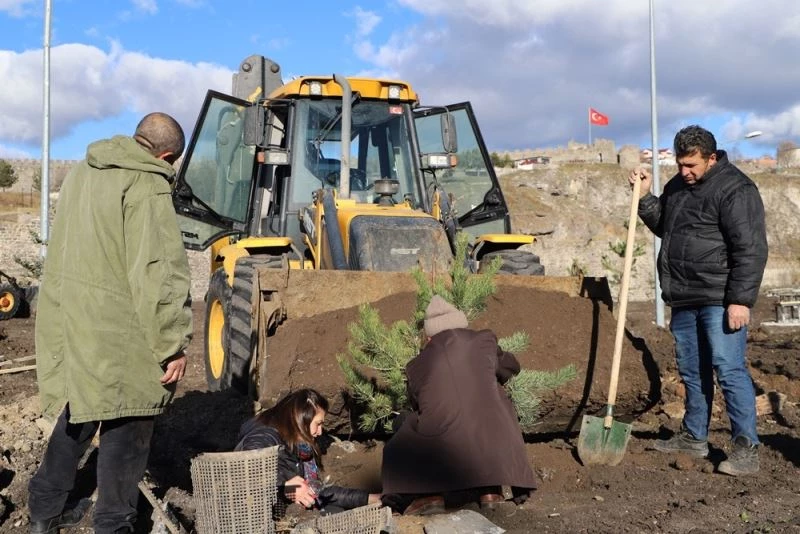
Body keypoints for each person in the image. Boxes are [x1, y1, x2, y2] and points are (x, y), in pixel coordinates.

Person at [28, 112, 193, 533]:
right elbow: (157, 272)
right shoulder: (147, 183)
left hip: (73, 319)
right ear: (168, 155)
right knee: (129, 425)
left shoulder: (85, 170)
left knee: (79, 413)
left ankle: (43, 513)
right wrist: (171, 344)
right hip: (120, 330)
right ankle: (114, 524)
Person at [629, 125, 768, 476]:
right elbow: (666, 226)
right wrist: (646, 197)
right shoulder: (677, 186)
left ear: (711, 157)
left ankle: (745, 449)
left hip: (720, 297)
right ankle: (693, 437)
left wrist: (740, 300)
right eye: (680, 165)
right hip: (684, 295)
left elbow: (750, 249)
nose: (685, 172)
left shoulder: (736, 189)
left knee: (729, 368)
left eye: (692, 165)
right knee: (692, 370)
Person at [380, 296, 538, 516]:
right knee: (491, 408)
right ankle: (490, 492)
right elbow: (511, 367)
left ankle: (428, 496)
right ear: (462, 324)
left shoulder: (416, 365)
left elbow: (418, 404)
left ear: (428, 336)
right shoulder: (485, 340)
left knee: (405, 423)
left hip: (444, 442)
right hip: (493, 435)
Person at [235, 388, 381, 514]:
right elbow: (246, 472)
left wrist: (370, 499)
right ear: (300, 419)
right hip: (249, 518)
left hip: (277, 512)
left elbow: (316, 491)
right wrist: (286, 487)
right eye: (318, 424)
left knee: (336, 512)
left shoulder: (299, 448)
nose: (320, 432)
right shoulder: (264, 437)